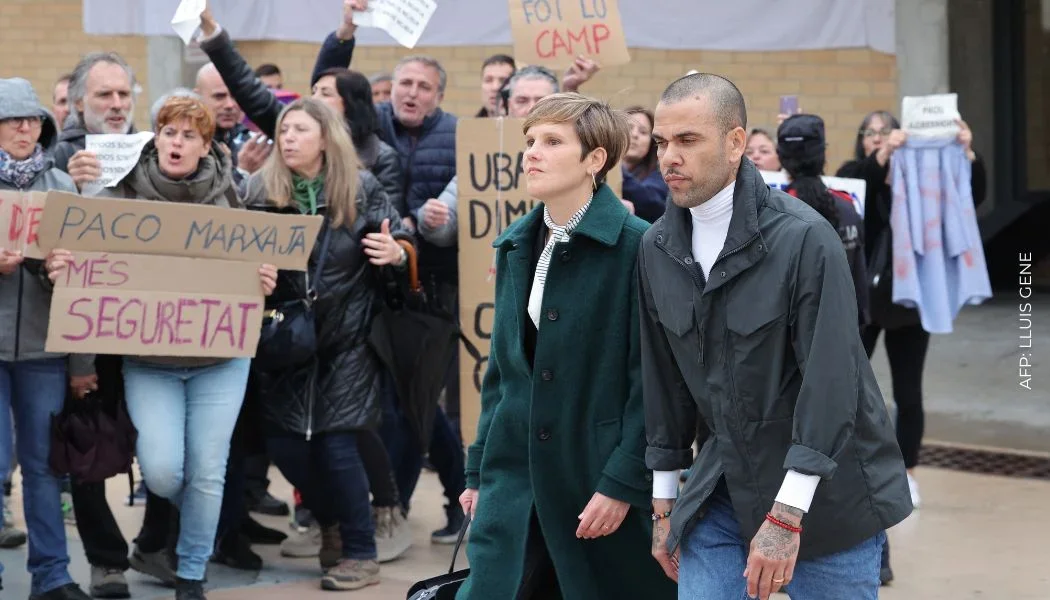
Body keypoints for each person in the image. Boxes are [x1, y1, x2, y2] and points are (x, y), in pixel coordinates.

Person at [640, 73, 912, 600]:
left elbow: (833, 385)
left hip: (830, 499)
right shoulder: (656, 248)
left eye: (687, 140)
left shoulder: (805, 238)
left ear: (736, 142)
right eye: (661, 142)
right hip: (722, 488)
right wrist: (664, 500)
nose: (668, 157)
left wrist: (787, 515)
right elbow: (664, 381)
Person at [45, 95, 275, 600]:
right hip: (151, 364)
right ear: (155, 139)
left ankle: (191, 574)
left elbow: (255, 261)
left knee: (209, 471)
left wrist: (261, 277)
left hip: (221, 361)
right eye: (169, 132)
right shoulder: (121, 193)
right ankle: (180, 537)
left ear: (206, 145)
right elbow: (81, 260)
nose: (177, 142)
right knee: (166, 471)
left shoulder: (229, 193)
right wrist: (64, 265)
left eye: (189, 135)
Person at [457, 93, 675, 600]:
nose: (532, 152)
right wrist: (477, 470)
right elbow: (503, 375)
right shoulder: (515, 243)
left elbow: (654, 384)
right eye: (530, 141)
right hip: (512, 481)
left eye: (552, 141)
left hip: (593, 484)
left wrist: (622, 483)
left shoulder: (638, 248)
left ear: (594, 160)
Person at [244, 98, 411, 591]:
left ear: (325, 137)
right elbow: (236, 257)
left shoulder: (360, 187)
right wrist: (253, 276)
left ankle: (360, 551)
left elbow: (396, 239)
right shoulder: (260, 190)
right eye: (283, 130)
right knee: (285, 446)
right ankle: (330, 522)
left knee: (339, 442)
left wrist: (397, 253)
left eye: (299, 129)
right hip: (285, 338)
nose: (288, 138)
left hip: (348, 337)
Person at [836, 109, 985, 584]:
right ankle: (850, 462)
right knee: (850, 384)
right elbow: (855, 188)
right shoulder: (853, 174)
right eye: (870, 134)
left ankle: (910, 472)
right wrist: (882, 161)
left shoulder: (922, 170)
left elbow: (970, 195)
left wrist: (967, 153)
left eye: (885, 131)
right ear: (861, 140)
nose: (877, 139)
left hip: (910, 298)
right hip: (863, 299)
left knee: (909, 390)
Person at [0, 77, 94, 600]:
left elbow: (88, 287)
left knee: (43, 468)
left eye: (32, 119)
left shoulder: (61, 188)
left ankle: (53, 577)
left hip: (45, 353)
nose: (23, 128)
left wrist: (81, 362)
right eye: (12, 119)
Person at [778, 113, 868, 324]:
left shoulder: (772, 213)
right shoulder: (847, 208)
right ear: (823, 154)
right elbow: (859, 287)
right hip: (841, 330)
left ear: (781, 157)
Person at [621, 106, 668, 223]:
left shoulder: (661, 176)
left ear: (652, 143)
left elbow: (650, 201)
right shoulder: (596, 173)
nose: (635, 135)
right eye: (629, 128)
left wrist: (614, 166)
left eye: (643, 132)